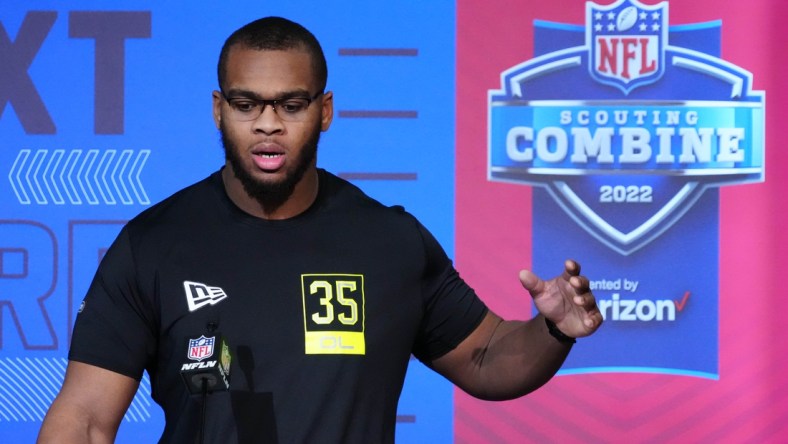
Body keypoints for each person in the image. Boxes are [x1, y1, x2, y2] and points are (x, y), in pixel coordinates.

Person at [38, 16, 602, 444]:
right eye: (245, 104)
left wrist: (552, 331)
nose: (267, 123)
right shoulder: (152, 244)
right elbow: (84, 419)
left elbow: (485, 359)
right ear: (218, 109)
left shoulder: (390, 241)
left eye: (290, 104)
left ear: (324, 110)